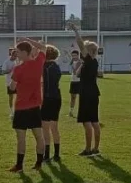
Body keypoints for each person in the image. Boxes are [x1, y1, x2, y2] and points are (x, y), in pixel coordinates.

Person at [7, 38, 49, 172]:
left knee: (21, 138)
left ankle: (19, 165)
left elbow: (12, 87)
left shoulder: (18, 69)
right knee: (39, 136)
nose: (16, 54)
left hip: (21, 107)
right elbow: (44, 47)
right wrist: (28, 40)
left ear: (25, 52)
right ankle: (38, 163)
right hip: (35, 107)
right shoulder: (38, 63)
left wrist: (15, 84)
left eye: (18, 52)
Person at [70, 23, 101, 156]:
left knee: (87, 122)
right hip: (94, 92)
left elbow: (80, 44)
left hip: (86, 93)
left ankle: (88, 149)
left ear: (89, 51)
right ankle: (96, 148)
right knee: (95, 121)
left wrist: (76, 31)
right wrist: (81, 64)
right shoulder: (93, 62)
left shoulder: (88, 60)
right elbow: (77, 74)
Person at [41, 46, 63, 162]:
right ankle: (57, 154)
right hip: (57, 97)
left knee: (45, 128)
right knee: (54, 127)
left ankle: (46, 155)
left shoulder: (44, 67)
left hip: (46, 98)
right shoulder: (57, 67)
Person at [2, 48, 17, 118]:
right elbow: (3, 71)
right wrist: (10, 70)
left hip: (17, 82)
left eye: (16, 56)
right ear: (12, 55)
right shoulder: (6, 62)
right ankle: (11, 111)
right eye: (15, 56)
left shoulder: (16, 62)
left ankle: (17, 110)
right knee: (11, 97)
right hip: (9, 82)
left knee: (18, 97)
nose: (15, 57)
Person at [68, 48, 82, 117]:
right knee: (73, 97)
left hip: (79, 82)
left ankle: (82, 112)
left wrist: (72, 65)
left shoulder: (80, 62)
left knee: (81, 97)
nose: (73, 57)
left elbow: (75, 72)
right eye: (72, 56)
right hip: (73, 81)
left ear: (78, 55)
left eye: (75, 55)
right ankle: (71, 111)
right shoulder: (71, 62)